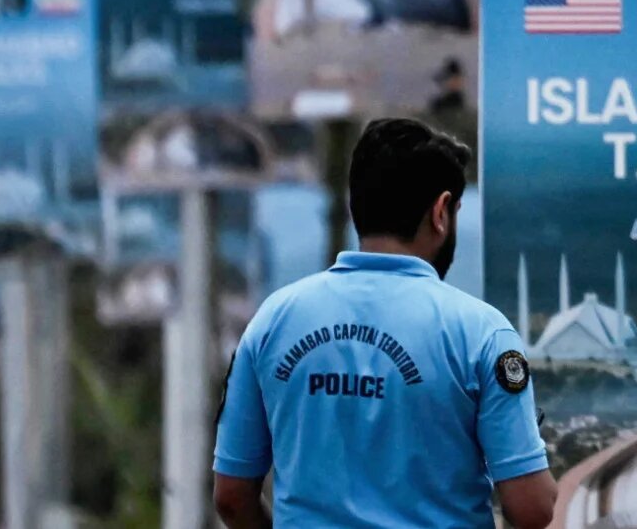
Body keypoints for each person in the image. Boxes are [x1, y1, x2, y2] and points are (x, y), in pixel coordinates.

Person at [212, 118, 557, 528]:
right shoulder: (482, 333)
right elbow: (532, 509)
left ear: (356, 205)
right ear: (441, 212)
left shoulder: (273, 320)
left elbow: (231, 497)